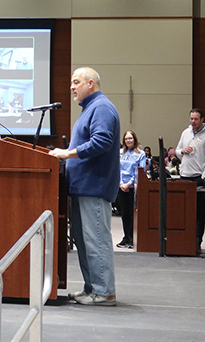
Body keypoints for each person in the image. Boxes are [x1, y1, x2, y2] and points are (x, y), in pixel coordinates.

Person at [48, 67, 120, 306]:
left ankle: (104, 292)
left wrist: (68, 154)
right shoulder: (90, 108)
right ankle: (92, 288)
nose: (72, 87)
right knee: (84, 241)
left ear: (91, 83)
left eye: (76, 82)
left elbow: (102, 141)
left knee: (96, 240)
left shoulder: (101, 108)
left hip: (94, 188)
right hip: (82, 188)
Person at [175, 108, 205, 251]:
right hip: (184, 177)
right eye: (191, 119)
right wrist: (182, 151)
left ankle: (198, 243)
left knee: (201, 214)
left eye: (196, 119)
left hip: (200, 178)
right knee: (186, 213)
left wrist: (204, 177)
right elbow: (177, 150)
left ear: (202, 119)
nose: (193, 122)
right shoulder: (185, 133)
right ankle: (187, 243)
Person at [115, 130, 146, 249]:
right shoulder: (120, 153)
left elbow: (140, 170)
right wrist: (121, 184)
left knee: (132, 213)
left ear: (135, 140)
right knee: (124, 213)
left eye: (130, 138)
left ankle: (133, 237)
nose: (128, 141)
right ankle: (126, 237)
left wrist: (129, 183)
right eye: (126, 139)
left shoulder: (140, 154)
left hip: (133, 186)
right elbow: (116, 169)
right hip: (121, 186)